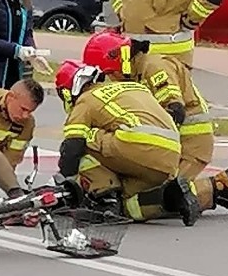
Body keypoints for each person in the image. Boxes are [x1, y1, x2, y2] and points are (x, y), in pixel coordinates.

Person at [81, 30, 228, 219]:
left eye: (110, 74)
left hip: (190, 144)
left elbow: (175, 110)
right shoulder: (136, 71)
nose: (110, 80)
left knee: (163, 197)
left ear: (120, 60)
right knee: (133, 192)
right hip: (172, 143)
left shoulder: (155, 65)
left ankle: (218, 187)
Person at [54, 61, 200, 226]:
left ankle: (106, 197)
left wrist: (64, 183)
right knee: (129, 205)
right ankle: (172, 197)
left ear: (67, 92)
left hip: (136, 145)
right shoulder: (132, 87)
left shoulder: (86, 100)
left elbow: (72, 148)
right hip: (171, 154)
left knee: (84, 138)